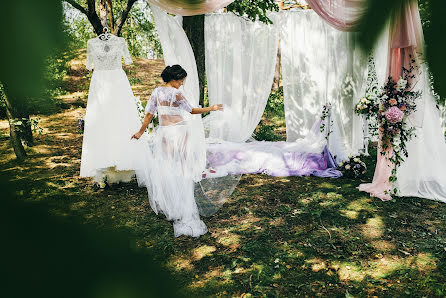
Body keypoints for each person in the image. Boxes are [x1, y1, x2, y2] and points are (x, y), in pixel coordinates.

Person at [132, 64, 223, 237]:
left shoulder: (156, 92)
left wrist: (140, 132)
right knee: (183, 167)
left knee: (167, 166)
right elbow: (192, 110)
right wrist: (211, 108)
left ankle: (171, 204)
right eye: (181, 80)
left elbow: (149, 115)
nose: (182, 83)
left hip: (165, 133)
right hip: (180, 131)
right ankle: (183, 203)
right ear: (174, 78)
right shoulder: (176, 94)